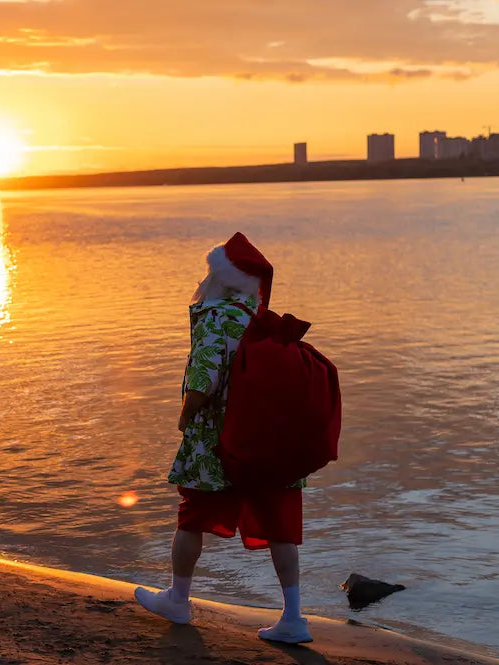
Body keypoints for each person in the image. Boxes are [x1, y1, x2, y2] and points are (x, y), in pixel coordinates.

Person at [134, 232, 312, 644]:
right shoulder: (265, 320)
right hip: (269, 441)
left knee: (193, 515)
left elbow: (203, 379)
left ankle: (178, 600)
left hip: (218, 441)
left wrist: (184, 416)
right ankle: (294, 617)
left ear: (220, 278)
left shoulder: (217, 317)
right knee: (280, 525)